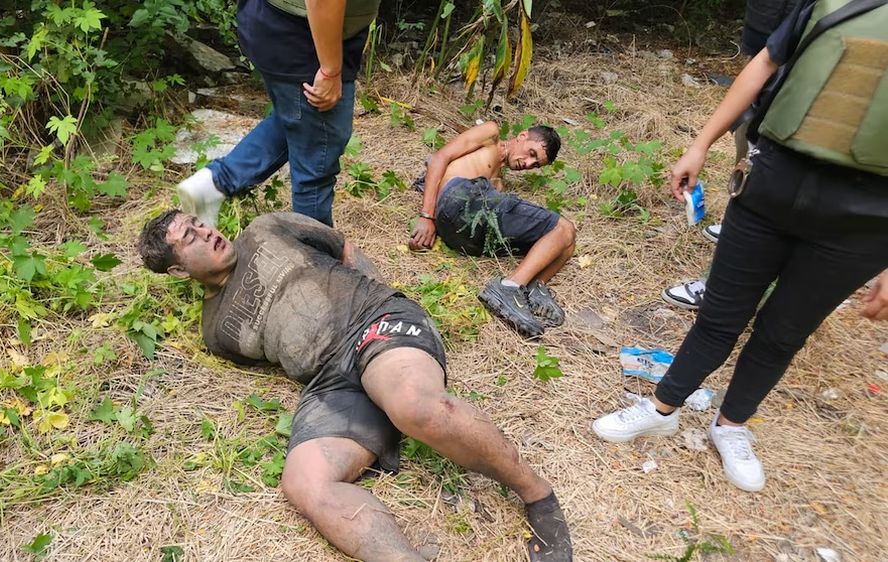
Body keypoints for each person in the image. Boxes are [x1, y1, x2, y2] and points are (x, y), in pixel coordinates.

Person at [137, 209, 574, 561]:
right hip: (329, 382)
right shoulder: (214, 332)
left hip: (375, 323)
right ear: (177, 271)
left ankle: (538, 497)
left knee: (413, 404)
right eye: (189, 237)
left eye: (198, 222)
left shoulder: (264, 228)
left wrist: (379, 293)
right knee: (303, 482)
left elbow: (345, 249)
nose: (205, 231)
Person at [593, 0, 888, 492]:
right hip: (773, 184)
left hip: (866, 221)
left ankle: (731, 425)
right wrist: (701, 143)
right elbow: (765, 64)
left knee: (783, 332)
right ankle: (662, 407)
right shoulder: (833, 4)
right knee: (719, 315)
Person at [176, 0, 380, 228]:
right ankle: (314, 256)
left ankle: (214, 183)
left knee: (299, 120)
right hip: (306, 36)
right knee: (317, 156)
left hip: (288, 26)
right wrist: (330, 70)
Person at [662, 0, 797, 310]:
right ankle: (718, 285)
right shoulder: (813, 10)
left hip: (828, 156)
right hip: (769, 109)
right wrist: (700, 145)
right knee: (749, 192)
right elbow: (764, 61)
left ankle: (741, 290)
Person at [408, 122, 576, 339]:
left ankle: (534, 288)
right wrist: (426, 216)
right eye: (531, 153)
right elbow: (440, 158)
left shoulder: (496, 182)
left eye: (535, 164)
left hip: (463, 233)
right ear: (522, 135)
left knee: (566, 242)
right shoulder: (491, 134)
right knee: (563, 228)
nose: (528, 163)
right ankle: (509, 287)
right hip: (460, 199)